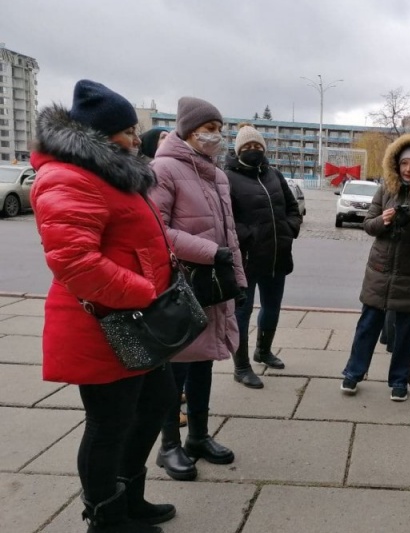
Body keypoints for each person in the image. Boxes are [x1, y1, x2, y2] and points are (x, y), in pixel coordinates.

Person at [30, 80, 175, 532]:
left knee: (155, 404)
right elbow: (74, 261)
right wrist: (144, 290)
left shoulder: (113, 173)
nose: (137, 139)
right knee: (109, 424)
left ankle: (130, 494)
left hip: (136, 322)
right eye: (129, 130)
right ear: (100, 133)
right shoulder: (68, 176)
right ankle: (106, 516)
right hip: (102, 327)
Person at [150, 97, 247, 481]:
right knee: (176, 366)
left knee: (204, 361)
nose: (217, 137)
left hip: (210, 285)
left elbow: (231, 235)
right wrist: (210, 253)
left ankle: (199, 437)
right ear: (190, 131)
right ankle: (168, 445)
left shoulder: (215, 173)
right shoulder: (164, 169)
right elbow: (156, 231)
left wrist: (236, 279)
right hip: (181, 284)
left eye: (220, 131)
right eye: (211, 130)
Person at [340, 134, 410, 401]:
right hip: (380, 270)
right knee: (367, 325)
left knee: (405, 333)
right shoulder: (385, 190)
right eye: (404, 163)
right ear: (396, 165)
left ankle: (399, 380)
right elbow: (368, 225)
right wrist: (384, 221)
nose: (408, 169)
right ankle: (353, 373)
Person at [226, 123, 302, 388]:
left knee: (272, 308)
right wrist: (250, 235)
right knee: (241, 314)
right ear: (238, 151)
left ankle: (263, 351)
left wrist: (289, 228)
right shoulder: (227, 178)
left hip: (277, 255)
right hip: (246, 260)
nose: (253, 150)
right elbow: (226, 220)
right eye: (247, 147)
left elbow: (293, 208)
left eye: (257, 146)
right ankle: (242, 366)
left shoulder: (274, 175)